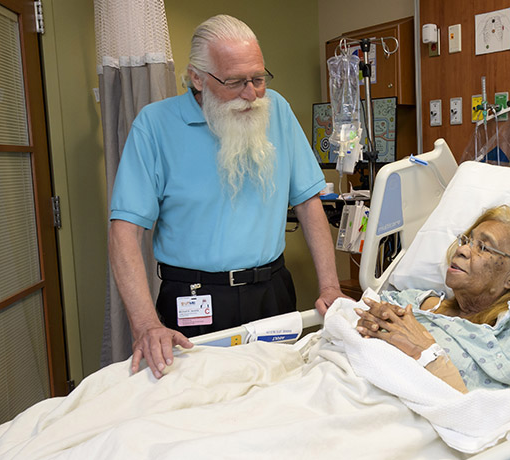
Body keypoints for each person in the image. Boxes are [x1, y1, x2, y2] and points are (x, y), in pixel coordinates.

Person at [109, 14, 346, 379]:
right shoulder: (154, 126)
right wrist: (144, 323)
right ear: (197, 79)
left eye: (258, 78)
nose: (250, 94)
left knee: (278, 398)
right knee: (199, 408)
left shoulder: (277, 111)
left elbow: (308, 201)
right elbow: (124, 230)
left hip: (271, 292)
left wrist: (331, 287)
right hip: (193, 299)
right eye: (235, 82)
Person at [355, 204, 510, 395]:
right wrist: (368, 323)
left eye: (484, 248)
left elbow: (502, 417)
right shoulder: (409, 302)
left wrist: (426, 351)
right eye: (466, 241)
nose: (461, 250)